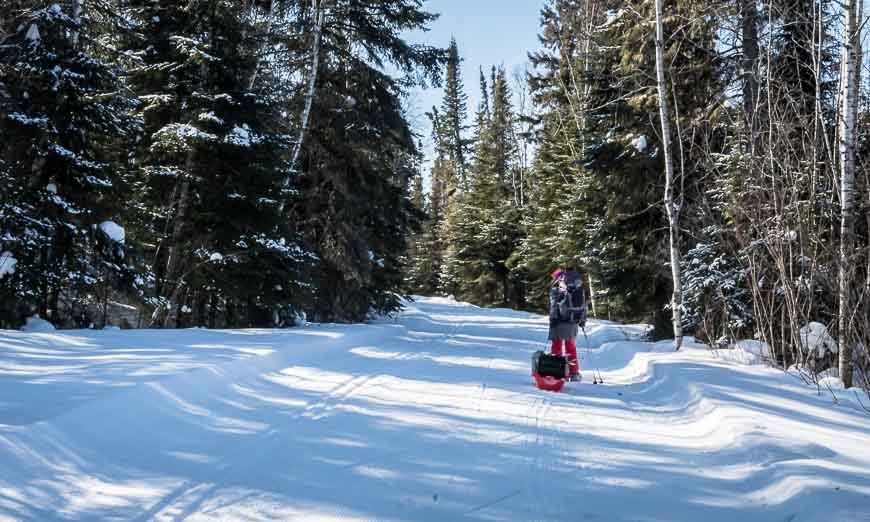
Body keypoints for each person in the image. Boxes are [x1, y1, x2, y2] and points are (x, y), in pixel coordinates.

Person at [548, 266, 587, 381]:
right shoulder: (577, 282)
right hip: (573, 319)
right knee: (571, 346)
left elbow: (554, 302)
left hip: (559, 319)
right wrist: (582, 319)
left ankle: (557, 371)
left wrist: (553, 318)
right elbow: (583, 302)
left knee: (557, 346)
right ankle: (574, 373)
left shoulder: (559, 282)